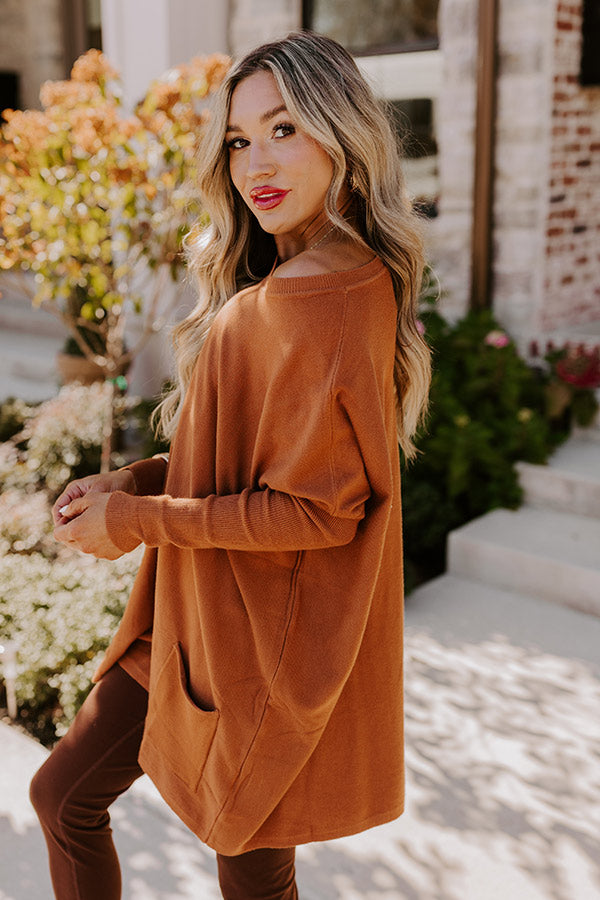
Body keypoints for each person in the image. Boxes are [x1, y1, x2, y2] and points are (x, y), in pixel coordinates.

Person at [30, 30, 431, 900]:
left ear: (343, 134)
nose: (257, 165)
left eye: (285, 129)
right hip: (200, 617)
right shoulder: (327, 277)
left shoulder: (314, 295)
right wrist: (135, 483)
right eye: (241, 139)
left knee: (237, 872)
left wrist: (135, 521)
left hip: (251, 645)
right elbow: (243, 457)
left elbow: (317, 511)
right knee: (66, 797)